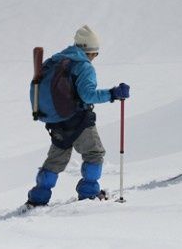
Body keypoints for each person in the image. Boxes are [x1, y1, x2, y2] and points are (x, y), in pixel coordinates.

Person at [26, 25, 130, 206]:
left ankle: (38, 198)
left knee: (56, 160)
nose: (94, 57)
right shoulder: (83, 66)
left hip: (55, 120)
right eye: (95, 53)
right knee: (94, 153)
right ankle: (89, 195)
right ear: (90, 51)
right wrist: (113, 94)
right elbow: (88, 95)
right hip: (78, 120)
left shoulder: (56, 61)